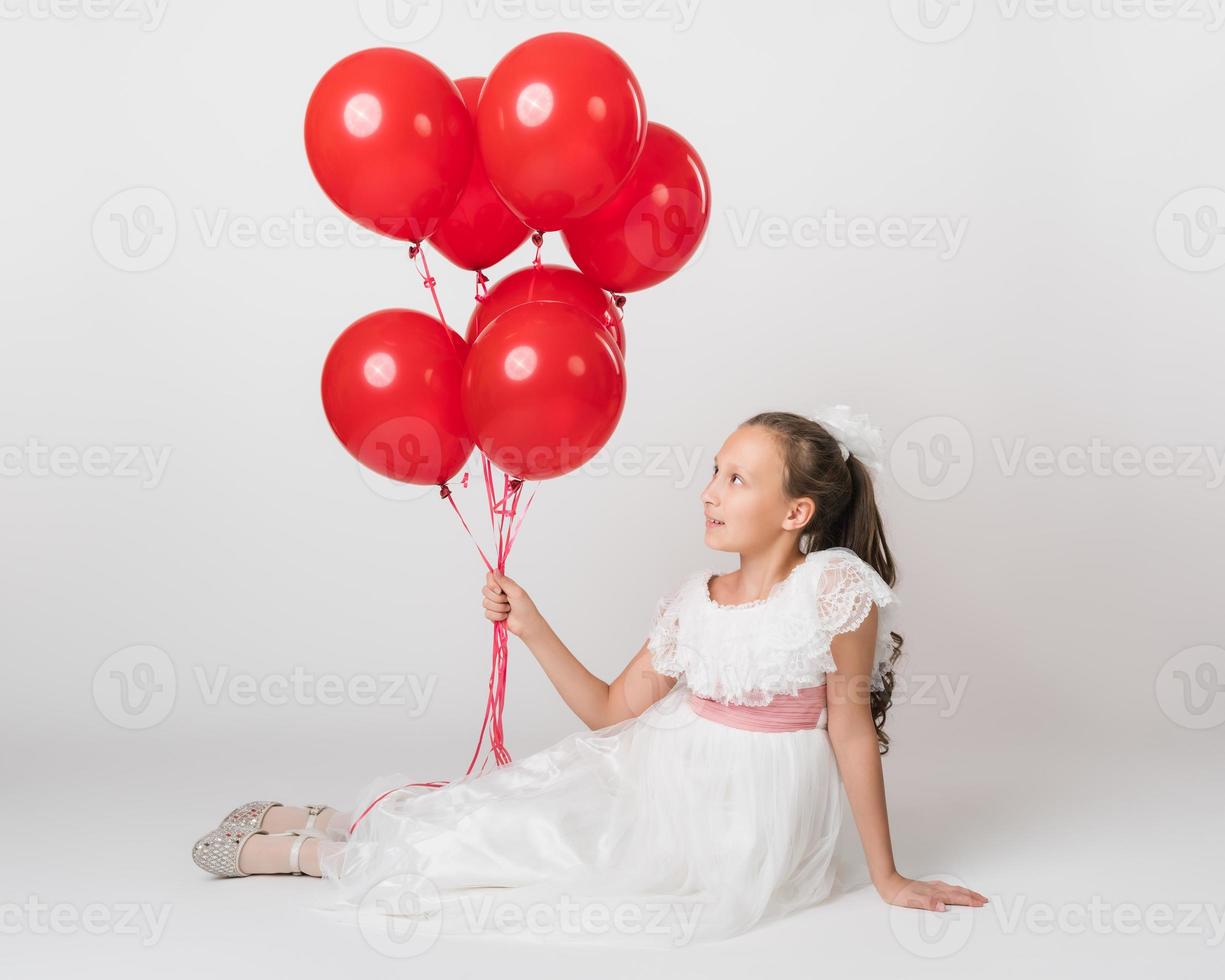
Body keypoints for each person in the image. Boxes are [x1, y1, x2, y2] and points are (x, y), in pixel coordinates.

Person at [191, 406, 988, 947]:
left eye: (737, 480)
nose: (709, 491)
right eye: (713, 471)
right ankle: (336, 819)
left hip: (742, 821)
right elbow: (611, 712)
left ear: (795, 513)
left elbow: (847, 727)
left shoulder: (834, 589)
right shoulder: (692, 601)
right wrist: (531, 624)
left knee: (528, 872)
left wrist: (885, 874)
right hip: (657, 769)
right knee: (501, 812)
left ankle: (312, 854)